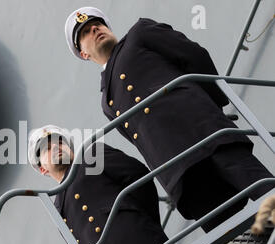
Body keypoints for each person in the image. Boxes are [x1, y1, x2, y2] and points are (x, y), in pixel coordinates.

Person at [64, 7, 274, 232]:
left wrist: (211, 108)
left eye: (98, 24)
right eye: (85, 32)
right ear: (83, 53)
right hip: (177, 169)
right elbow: (140, 140)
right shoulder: (107, 102)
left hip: (204, 132)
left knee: (264, 192)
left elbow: (194, 56)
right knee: (228, 234)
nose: (95, 29)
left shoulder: (139, 34)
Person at [27, 125, 178, 244]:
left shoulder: (92, 157)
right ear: (43, 169)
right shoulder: (57, 208)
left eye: (59, 142)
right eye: (47, 149)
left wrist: (142, 225)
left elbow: (139, 179)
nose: (55, 147)